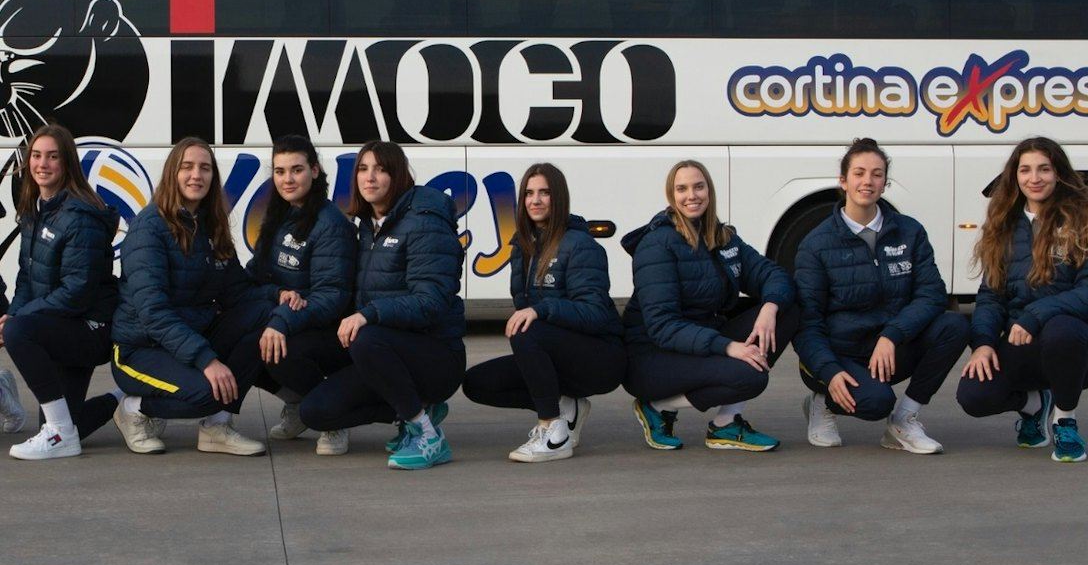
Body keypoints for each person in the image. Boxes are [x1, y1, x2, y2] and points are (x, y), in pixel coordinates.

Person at [956, 136, 1088, 462]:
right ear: (1015, 176)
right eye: (1025, 170)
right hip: (1023, 343)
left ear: (1059, 173)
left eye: (1044, 169)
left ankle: (1065, 421)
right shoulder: (1003, 227)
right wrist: (982, 343)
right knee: (974, 395)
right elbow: (991, 296)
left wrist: (1036, 315)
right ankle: (1036, 405)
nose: (1034, 178)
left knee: (1060, 329)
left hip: (1083, 346)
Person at [793, 138, 967, 454]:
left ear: (884, 183)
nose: (868, 181)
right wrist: (829, 372)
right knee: (876, 402)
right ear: (843, 181)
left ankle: (903, 420)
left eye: (876, 174)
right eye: (859, 173)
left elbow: (932, 295)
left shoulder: (909, 231)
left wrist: (892, 335)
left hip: (887, 350)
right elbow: (807, 323)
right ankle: (823, 401)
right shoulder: (816, 245)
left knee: (953, 326)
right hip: (839, 354)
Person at [298, 141, 464, 470]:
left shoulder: (425, 221)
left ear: (398, 175)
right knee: (315, 412)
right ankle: (415, 408)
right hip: (384, 351)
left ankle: (427, 435)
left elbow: (431, 301)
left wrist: (368, 314)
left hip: (435, 356)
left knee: (364, 336)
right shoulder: (366, 226)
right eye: (363, 169)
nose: (370, 177)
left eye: (381, 169)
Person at [110, 136, 276, 455]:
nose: (195, 175)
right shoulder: (149, 228)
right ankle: (133, 408)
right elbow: (153, 314)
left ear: (213, 177)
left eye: (204, 168)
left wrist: (281, 296)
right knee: (207, 393)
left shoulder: (210, 225)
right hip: (139, 348)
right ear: (173, 173)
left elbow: (237, 291)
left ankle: (217, 426)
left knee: (263, 314)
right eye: (187, 167)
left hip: (189, 337)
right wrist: (207, 360)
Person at [623, 159, 799, 453]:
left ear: (710, 191)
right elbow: (662, 327)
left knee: (788, 309)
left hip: (702, 341)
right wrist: (730, 347)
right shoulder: (657, 244)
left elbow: (772, 274)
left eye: (698, 186)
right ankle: (656, 406)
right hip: (651, 357)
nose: (691, 195)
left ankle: (726, 425)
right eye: (682, 189)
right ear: (671, 196)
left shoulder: (723, 237)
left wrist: (769, 308)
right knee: (751, 375)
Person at [463, 163, 625, 463]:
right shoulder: (522, 246)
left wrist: (542, 310)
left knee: (527, 330)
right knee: (477, 383)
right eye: (529, 193)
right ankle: (567, 406)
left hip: (600, 358)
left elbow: (595, 313)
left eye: (545, 193)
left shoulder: (580, 245)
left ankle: (553, 431)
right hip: (559, 355)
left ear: (558, 198)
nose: (535, 200)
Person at [2, 124, 121, 460]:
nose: (43, 164)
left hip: (90, 327)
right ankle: (127, 398)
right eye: (37, 156)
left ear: (67, 163)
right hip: (59, 324)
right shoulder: (35, 209)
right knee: (72, 422)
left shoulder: (80, 216)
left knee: (19, 331)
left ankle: (58, 435)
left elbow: (77, 292)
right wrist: (14, 313)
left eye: (53, 157)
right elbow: (26, 277)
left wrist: (19, 322)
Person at [248, 135, 357, 456]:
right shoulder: (279, 216)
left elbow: (332, 297)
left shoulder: (330, 223)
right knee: (237, 339)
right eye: (280, 172)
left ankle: (334, 416)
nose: (287, 179)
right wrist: (279, 293)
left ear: (315, 170)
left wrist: (282, 319)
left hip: (328, 329)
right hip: (291, 316)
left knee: (281, 349)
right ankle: (297, 403)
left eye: (296, 170)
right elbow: (256, 277)